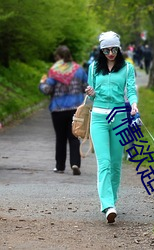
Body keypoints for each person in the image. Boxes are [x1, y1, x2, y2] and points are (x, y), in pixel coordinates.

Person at [85, 31, 138, 223]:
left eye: (114, 49)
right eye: (106, 50)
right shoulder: (94, 68)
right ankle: (107, 205)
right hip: (98, 118)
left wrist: (133, 104)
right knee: (104, 162)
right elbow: (91, 96)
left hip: (120, 118)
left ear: (119, 48)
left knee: (116, 164)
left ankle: (112, 201)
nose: (110, 53)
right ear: (101, 50)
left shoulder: (127, 68)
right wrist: (90, 92)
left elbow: (131, 90)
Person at [39, 45, 88, 175]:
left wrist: (42, 83)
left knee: (60, 138)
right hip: (75, 109)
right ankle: (75, 163)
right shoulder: (79, 70)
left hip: (58, 109)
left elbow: (47, 90)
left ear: (58, 57)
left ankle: (60, 166)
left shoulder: (54, 71)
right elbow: (86, 87)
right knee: (74, 137)